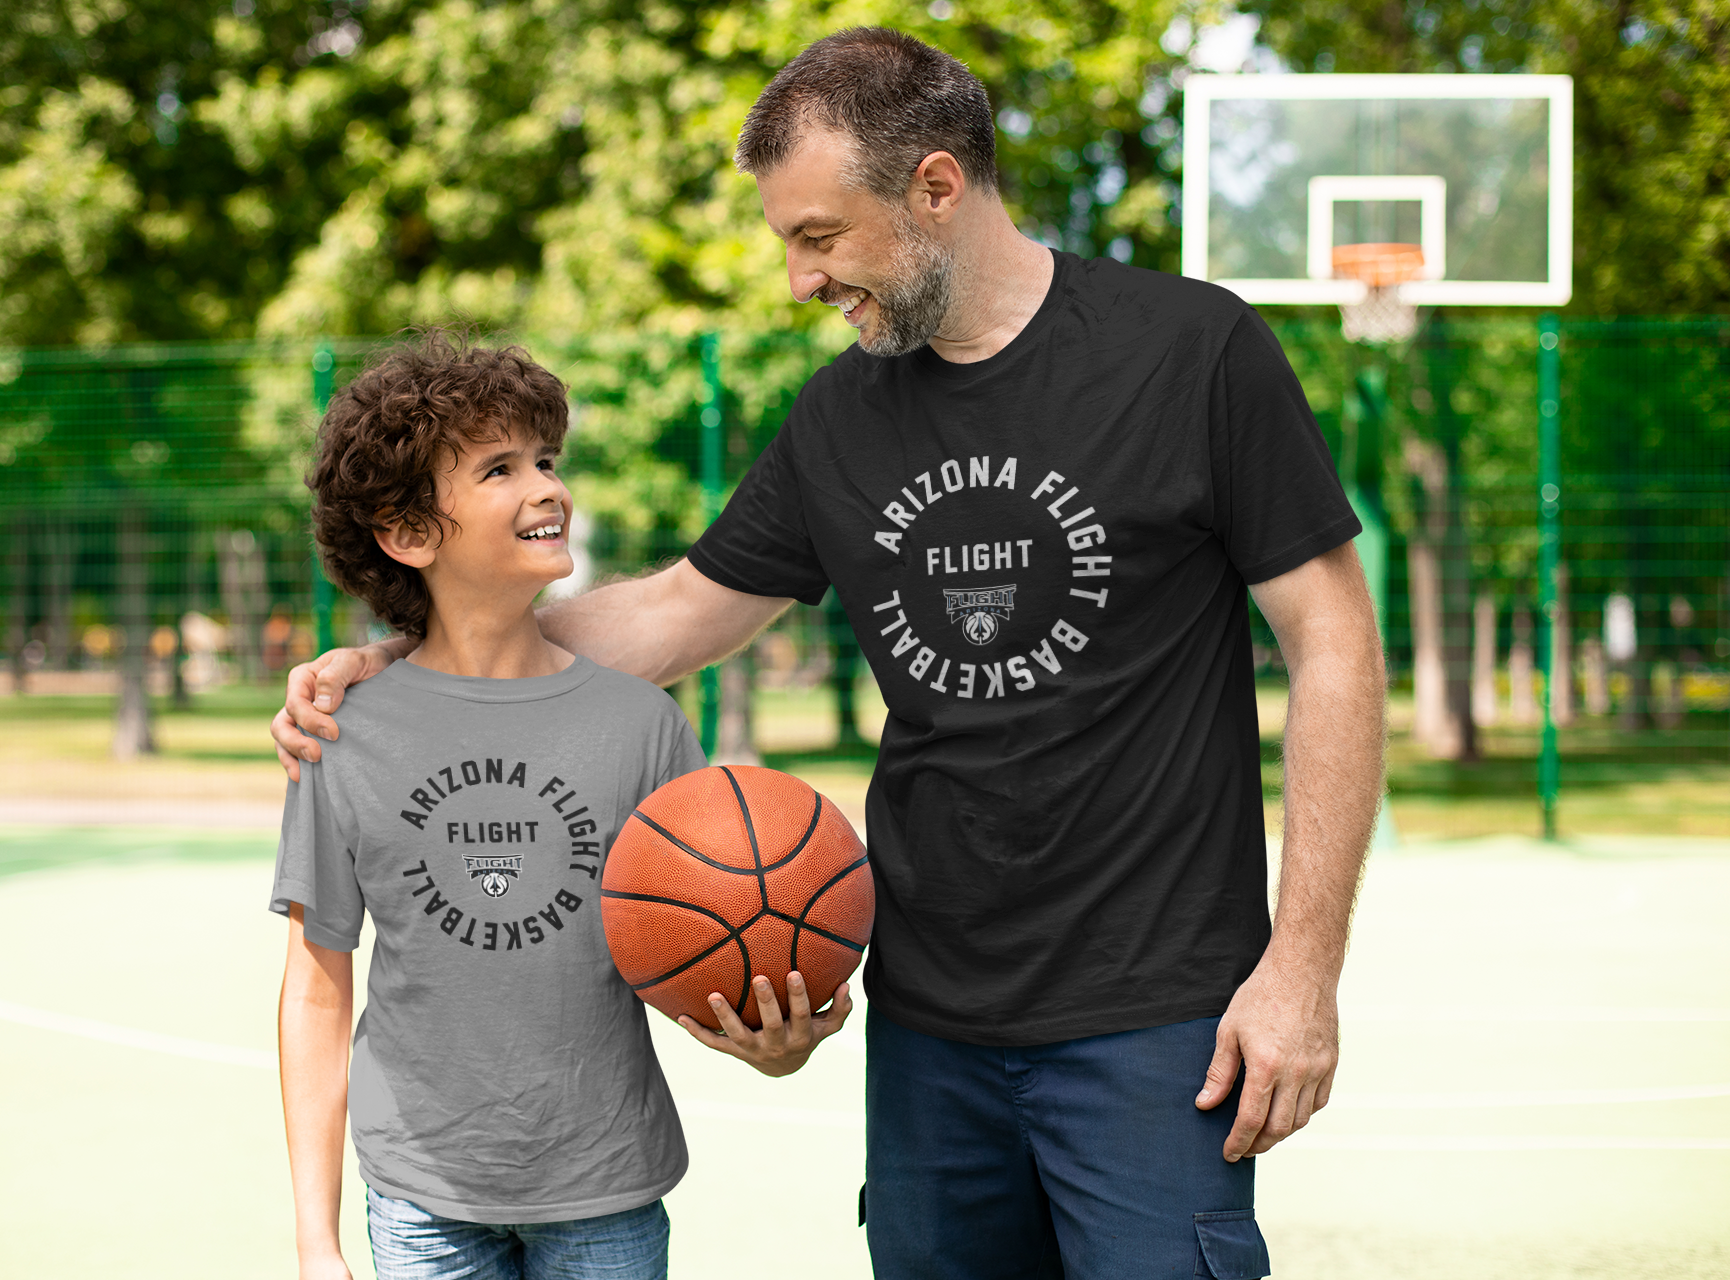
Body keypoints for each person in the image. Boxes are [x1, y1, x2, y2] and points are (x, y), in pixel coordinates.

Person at [274, 30, 1387, 1280]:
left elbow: (1334, 643)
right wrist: (418, 656)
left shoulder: (1193, 351)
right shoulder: (842, 414)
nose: (800, 281)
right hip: (928, 1021)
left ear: (935, 187)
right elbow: (673, 612)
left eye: (819, 236)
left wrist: (1302, 967)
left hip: (1156, 1013)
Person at [272, 333, 852, 1280]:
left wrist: (774, 1046)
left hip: (607, 1186)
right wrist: (313, 1238)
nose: (547, 487)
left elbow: (713, 929)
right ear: (407, 532)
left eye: (546, 459)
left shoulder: (642, 723)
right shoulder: (344, 732)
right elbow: (314, 989)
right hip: (420, 1193)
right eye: (499, 469)